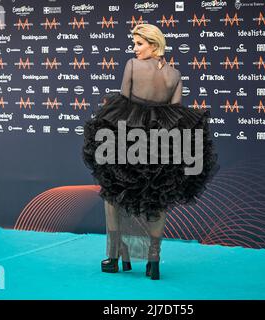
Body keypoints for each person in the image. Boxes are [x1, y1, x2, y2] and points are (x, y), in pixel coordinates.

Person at [82, 24, 219, 280]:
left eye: (139, 44)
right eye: (134, 44)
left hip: (127, 138)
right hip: (161, 141)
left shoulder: (132, 66)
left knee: (113, 193)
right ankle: (153, 262)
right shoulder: (175, 75)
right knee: (157, 198)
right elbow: (176, 113)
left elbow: (124, 101)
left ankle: (113, 258)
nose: (134, 49)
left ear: (154, 45)